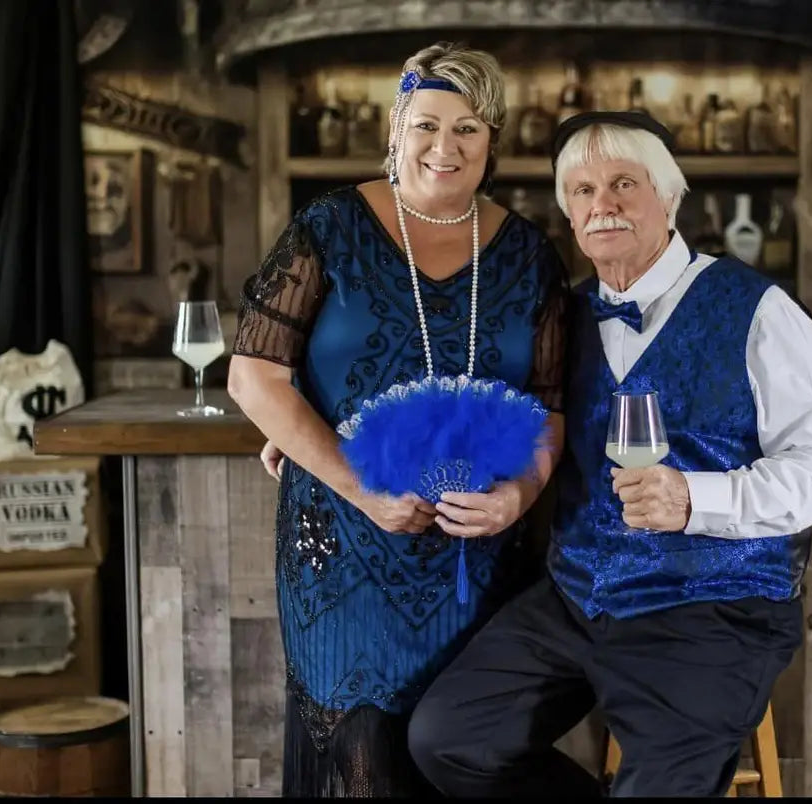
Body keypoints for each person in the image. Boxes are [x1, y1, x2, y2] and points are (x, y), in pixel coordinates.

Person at [407, 111, 812, 798]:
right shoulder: (561, 315)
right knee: (447, 742)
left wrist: (695, 498)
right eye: (584, 192)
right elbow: (481, 411)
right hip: (577, 598)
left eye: (625, 183)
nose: (604, 205)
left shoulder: (759, 311)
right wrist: (317, 421)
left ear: (670, 199)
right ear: (569, 214)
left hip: (713, 605)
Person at [227, 42, 568, 797]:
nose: (444, 147)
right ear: (395, 130)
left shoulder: (530, 255)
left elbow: (550, 406)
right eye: (426, 124)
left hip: (475, 560)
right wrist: (357, 484)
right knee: (366, 760)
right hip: (343, 544)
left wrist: (520, 495)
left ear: (494, 142)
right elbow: (254, 377)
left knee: (455, 758)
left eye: (469, 128)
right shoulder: (327, 229)